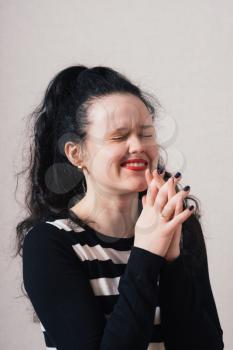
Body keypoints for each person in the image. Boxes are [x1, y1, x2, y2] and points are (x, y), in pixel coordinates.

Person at [15, 65, 224, 349]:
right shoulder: (49, 244)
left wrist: (174, 263)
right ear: (77, 153)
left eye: (146, 134)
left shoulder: (179, 223)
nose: (138, 146)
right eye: (119, 136)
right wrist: (147, 254)